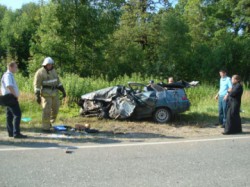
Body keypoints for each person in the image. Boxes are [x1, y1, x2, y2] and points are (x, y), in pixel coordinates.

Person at [34, 57, 66, 133]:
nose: (50, 66)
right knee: (46, 110)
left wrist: (63, 90)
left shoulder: (54, 71)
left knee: (56, 109)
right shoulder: (40, 72)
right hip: (46, 94)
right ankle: (45, 127)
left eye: (51, 65)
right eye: (48, 65)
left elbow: (58, 81)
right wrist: (37, 95)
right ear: (45, 65)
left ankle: (50, 123)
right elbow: (36, 84)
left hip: (55, 93)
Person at [0, 62, 27, 138]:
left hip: (6, 97)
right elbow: (9, 86)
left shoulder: (6, 75)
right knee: (17, 114)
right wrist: (15, 95)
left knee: (9, 115)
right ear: (10, 67)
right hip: (10, 97)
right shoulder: (8, 75)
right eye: (15, 67)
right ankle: (16, 133)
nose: (16, 69)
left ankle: (11, 132)